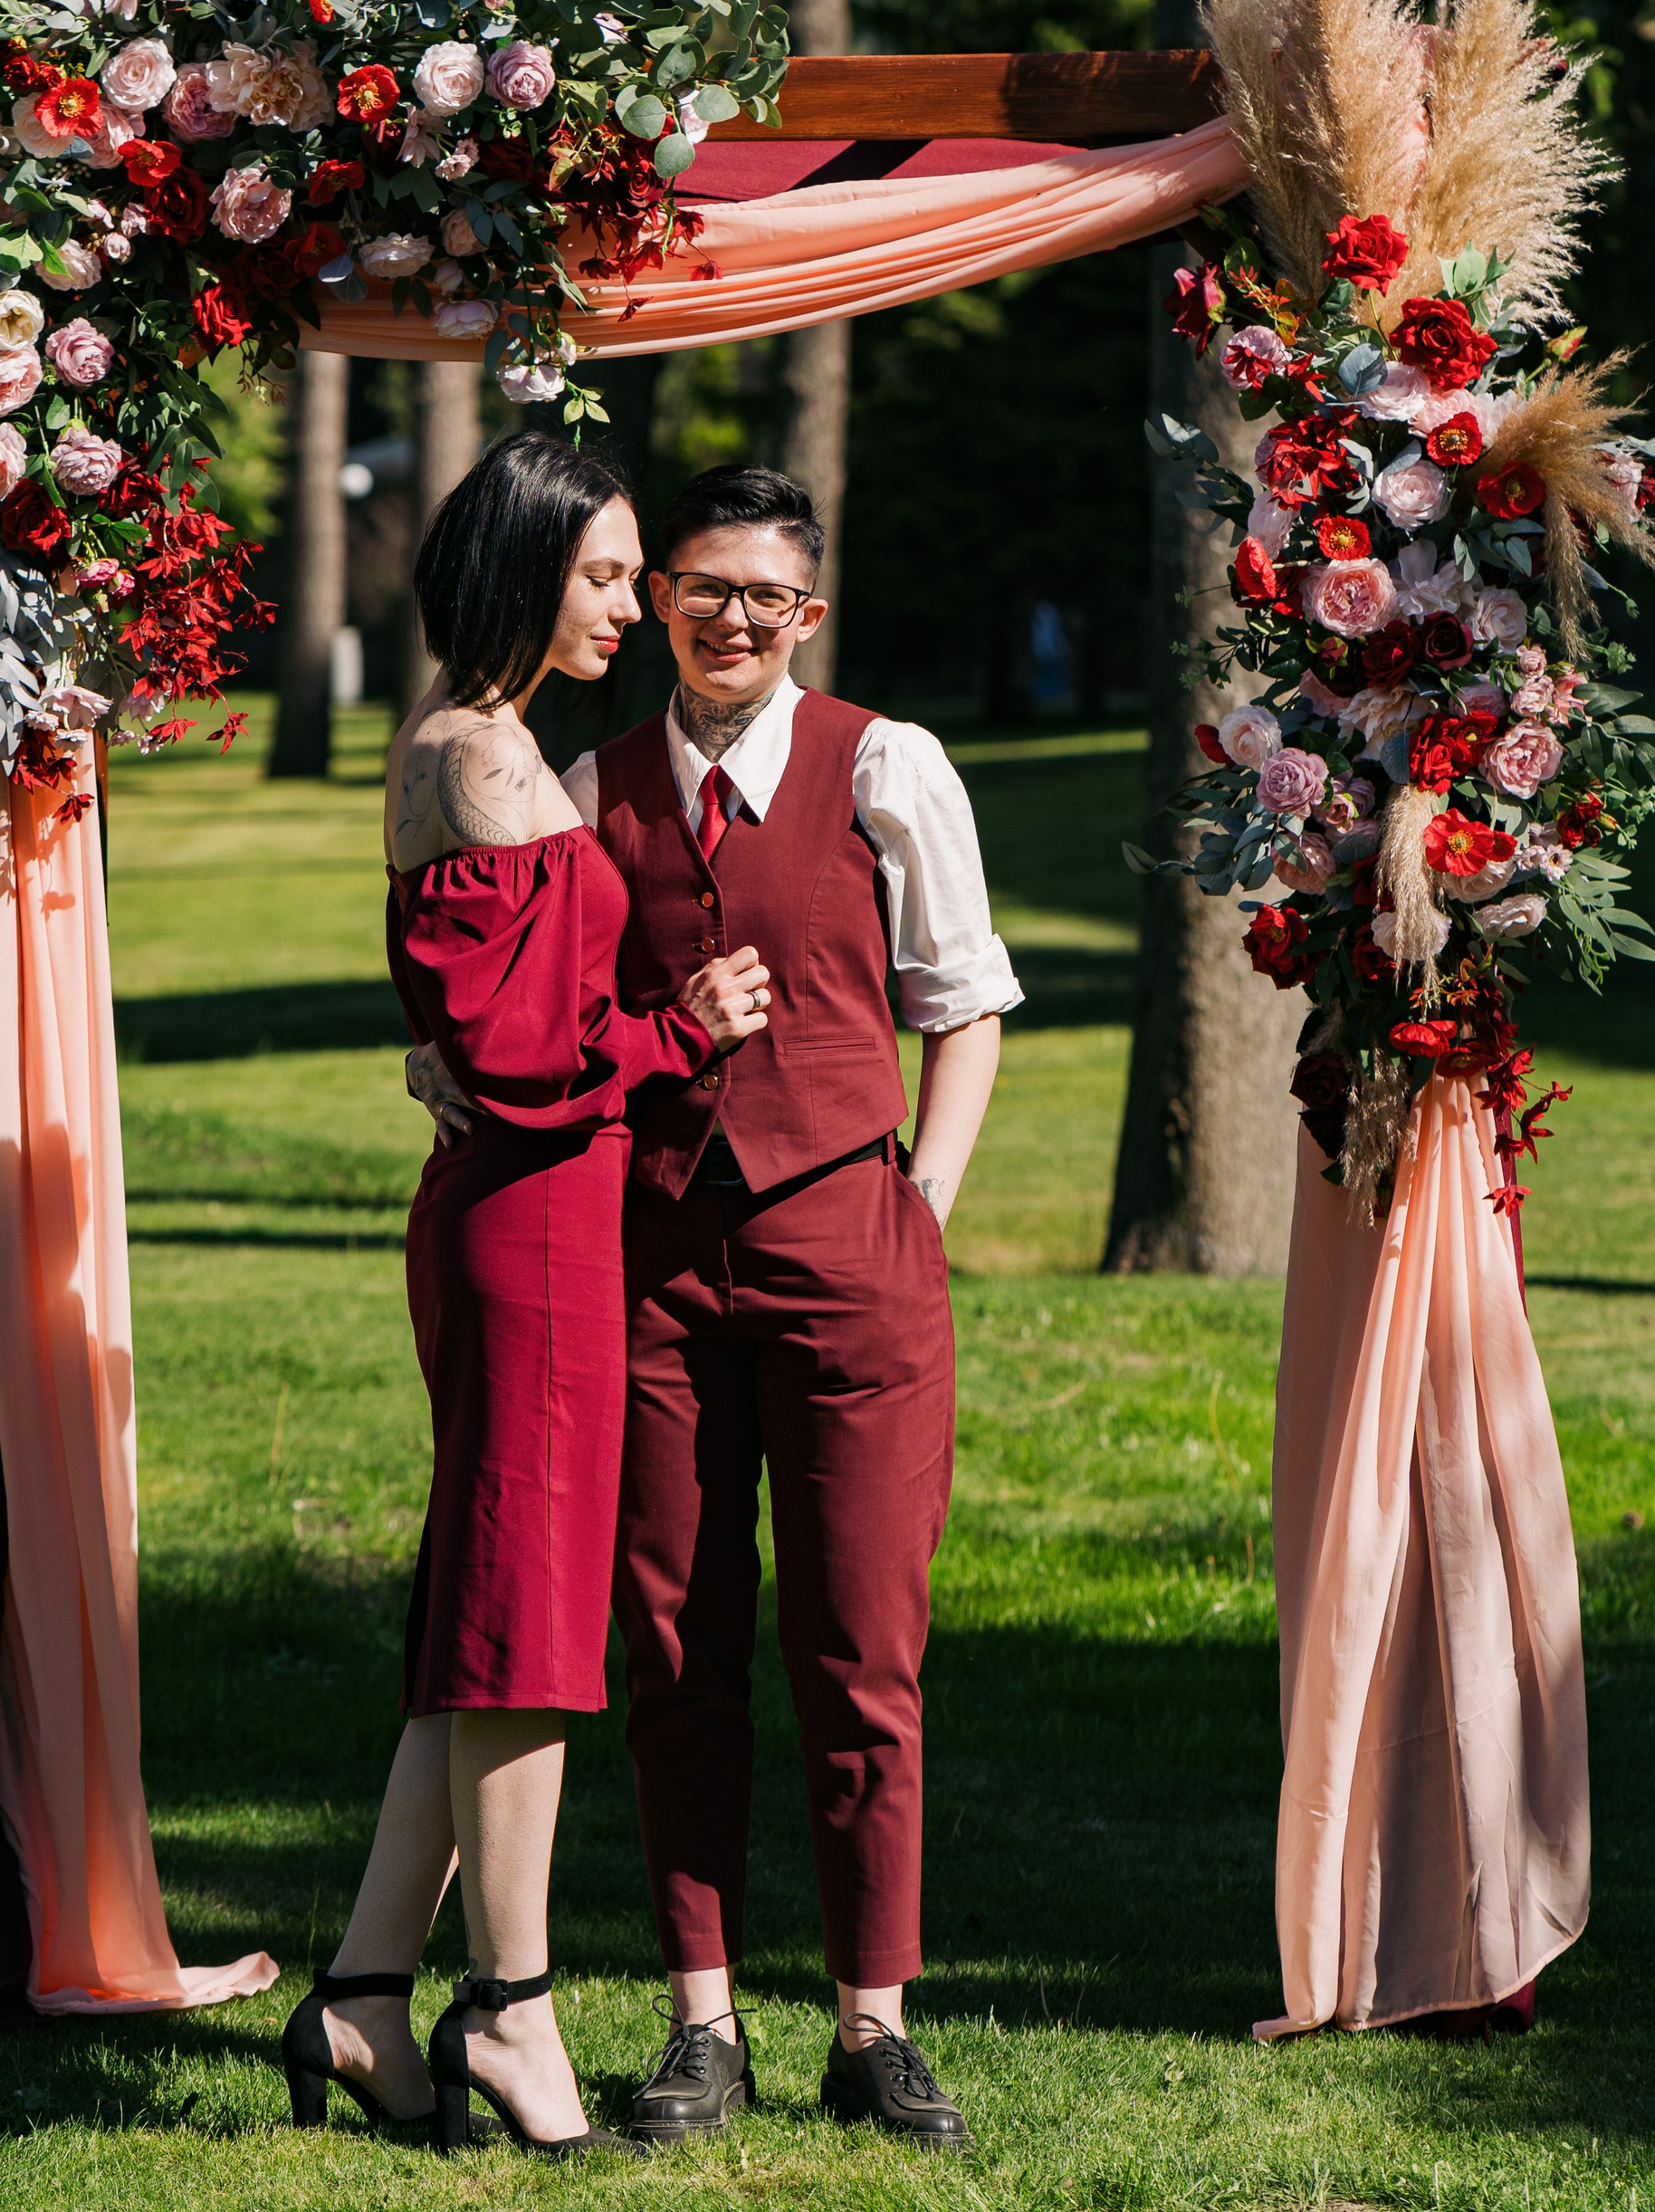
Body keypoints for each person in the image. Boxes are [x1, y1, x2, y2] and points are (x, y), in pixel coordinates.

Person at [409, 460, 1021, 2150]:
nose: (731, 616)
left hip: (854, 1256)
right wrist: (435, 1054)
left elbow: (962, 1001)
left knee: (864, 1646)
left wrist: (925, 1201)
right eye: (698, 586)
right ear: (657, 597)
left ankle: (875, 2021)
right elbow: (523, 992)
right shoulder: (578, 777)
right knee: (672, 1643)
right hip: (650, 1269)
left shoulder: (888, 764)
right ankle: (704, 2019)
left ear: (807, 613)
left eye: (768, 594)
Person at [280, 429, 771, 2159]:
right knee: (525, 1638)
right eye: (610, 573)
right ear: (522, 562)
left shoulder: (497, 747)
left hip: (546, 1219)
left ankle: (359, 1993)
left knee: (496, 1629)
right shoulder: (480, 760)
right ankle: (514, 2003)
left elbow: (482, 1037)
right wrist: (680, 1028)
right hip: (527, 1227)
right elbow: (513, 1059)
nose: (636, 606)